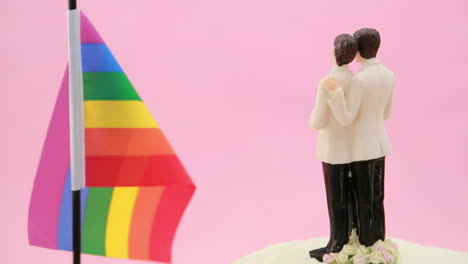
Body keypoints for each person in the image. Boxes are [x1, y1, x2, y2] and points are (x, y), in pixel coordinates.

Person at [323, 28, 394, 248]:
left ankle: (366, 243)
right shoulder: (389, 74)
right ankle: (378, 239)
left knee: (364, 199)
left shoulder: (360, 80)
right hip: (381, 143)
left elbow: (346, 118)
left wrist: (335, 93)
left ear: (357, 52)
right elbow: (386, 114)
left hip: (363, 148)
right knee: (377, 197)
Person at [308, 33, 358, 261]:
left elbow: (317, 121)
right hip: (353, 147)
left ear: (335, 52)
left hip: (332, 147)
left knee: (335, 197)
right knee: (349, 194)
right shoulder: (355, 79)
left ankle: (336, 243)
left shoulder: (328, 81)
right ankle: (349, 237)